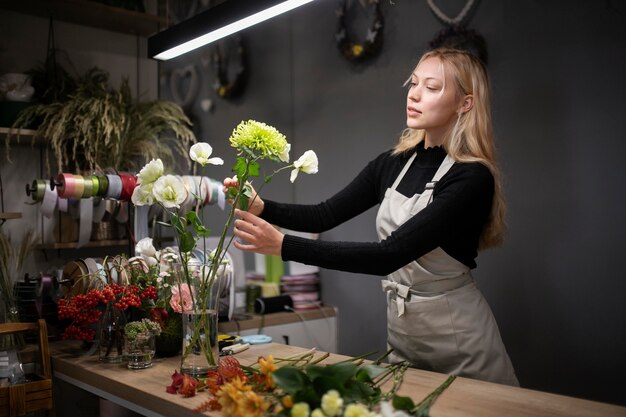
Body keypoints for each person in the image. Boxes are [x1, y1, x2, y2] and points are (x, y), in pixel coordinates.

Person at [225, 47, 519, 386]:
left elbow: (389, 255)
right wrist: (264, 207)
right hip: (404, 333)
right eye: (413, 83)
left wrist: (283, 246)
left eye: (432, 87)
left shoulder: (472, 178)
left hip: (460, 339)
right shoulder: (392, 163)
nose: (415, 95)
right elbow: (325, 215)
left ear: (464, 103)